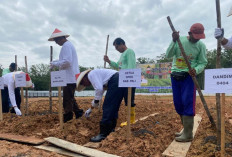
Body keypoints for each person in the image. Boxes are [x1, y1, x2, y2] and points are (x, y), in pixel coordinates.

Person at [166, 23, 208, 142]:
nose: (197, 39)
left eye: (199, 37)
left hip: (189, 77)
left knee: (188, 103)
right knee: (178, 103)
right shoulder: (179, 41)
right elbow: (168, 54)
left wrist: (197, 70)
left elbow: (203, 62)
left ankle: (188, 134)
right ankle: (185, 130)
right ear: (189, 33)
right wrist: (173, 40)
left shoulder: (201, 46)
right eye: (195, 36)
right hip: (175, 75)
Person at [76, 69, 126, 142]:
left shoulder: (91, 75)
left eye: (83, 83)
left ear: (84, 78)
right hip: (119, 79)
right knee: (113, 107)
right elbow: (100, 92)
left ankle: (103, 133)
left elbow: (98, 89)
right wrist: (91, 108)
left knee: (107, 107)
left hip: (115, 80)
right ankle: (111, 130)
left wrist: (96, 101)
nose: (84, 85)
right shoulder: (97, 75)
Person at [48, 28, 83, 123]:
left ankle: (68, 118)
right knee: (70, 97)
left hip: (69, 77)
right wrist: (56, 62)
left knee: (67, 99)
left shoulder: (66, 46)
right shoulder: (68, 45)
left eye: (56, 40)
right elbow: (66, 60)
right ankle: (79, 113)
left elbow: (67, 61)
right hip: (71, 76)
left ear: (61, 38)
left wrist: (55, 64)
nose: (56, 43)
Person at [103, 38, 136, 127]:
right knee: (126, 100)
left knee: (129, 100)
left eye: (117, 47)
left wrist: (129, 79)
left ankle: (131, 120)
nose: (116, 49)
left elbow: (131, 66)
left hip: (128, 79)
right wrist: (109, 61)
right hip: (123, 80)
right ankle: (129, 120)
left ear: (122, 44)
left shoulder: (129, 52)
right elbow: (118, 66)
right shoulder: (122, 55)